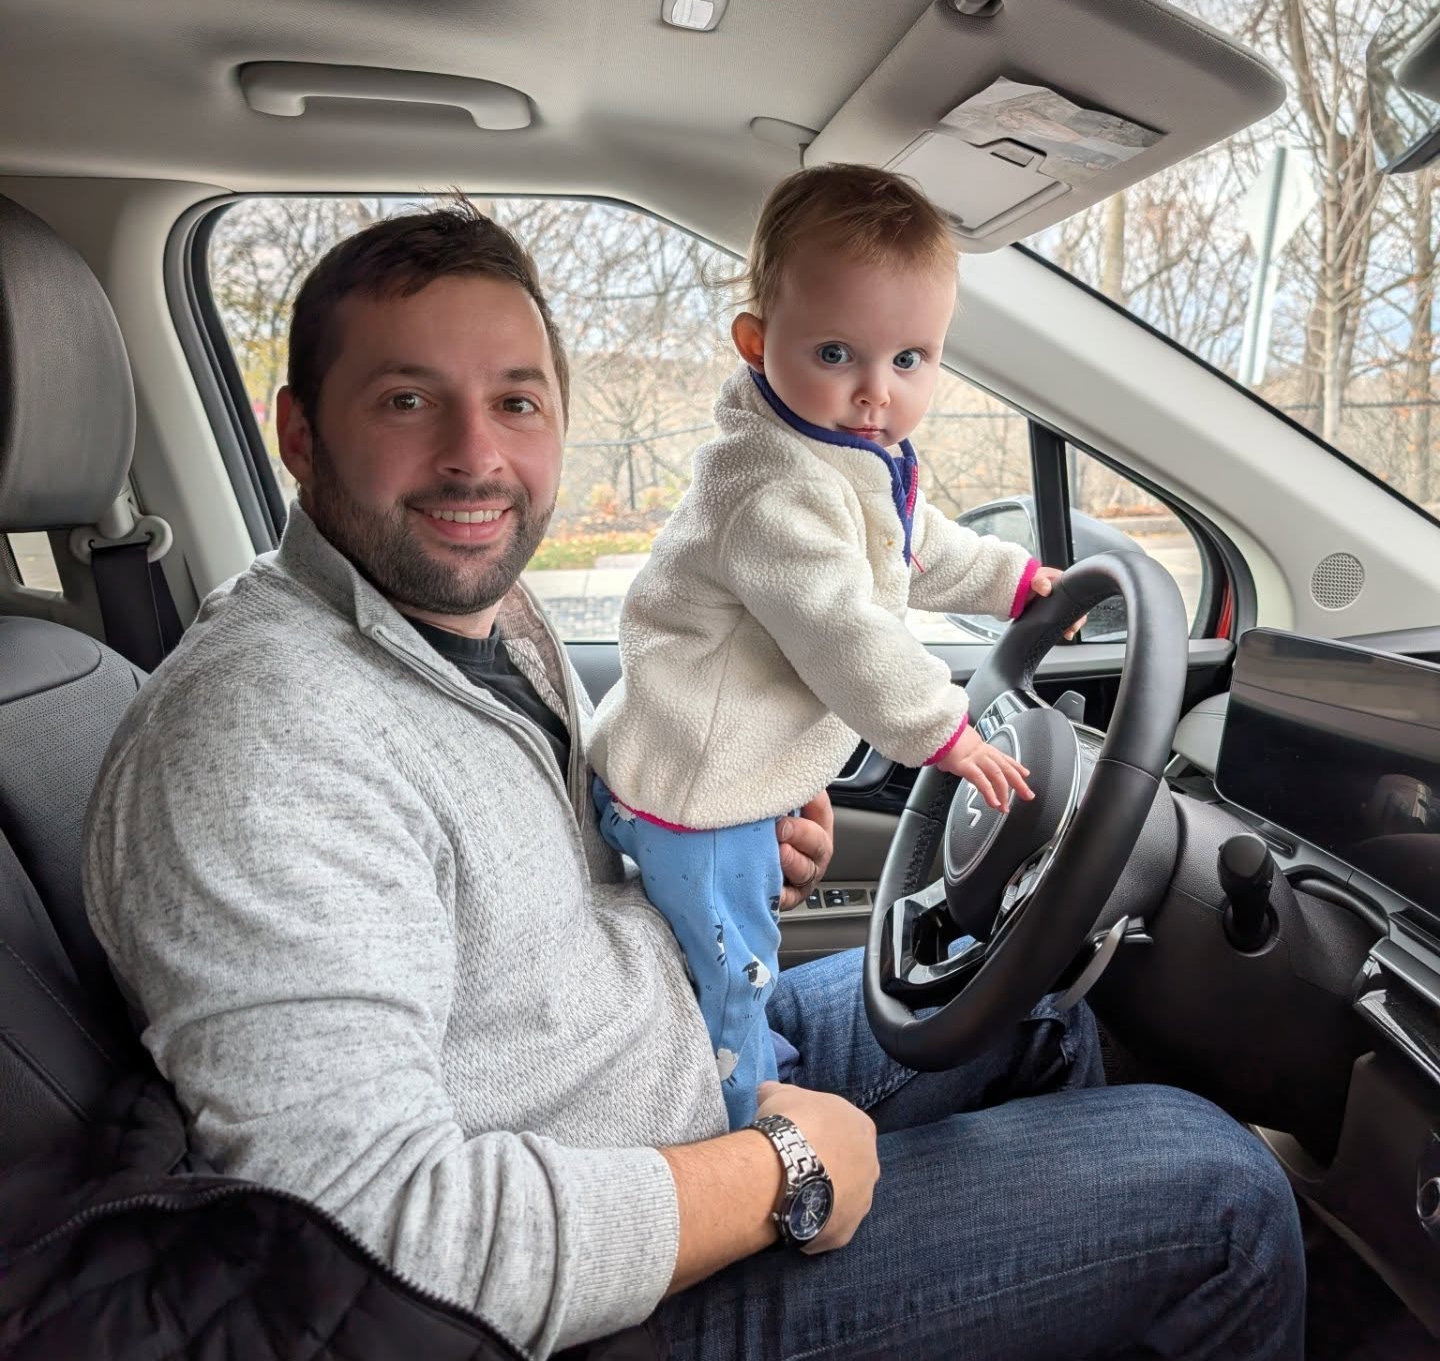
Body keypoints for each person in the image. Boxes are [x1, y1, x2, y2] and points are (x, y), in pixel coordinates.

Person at [83, 197, 1306, 1361]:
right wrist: (779, 1174)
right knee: (1219, 1187)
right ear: (299, 432)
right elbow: (367, 1243)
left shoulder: (477, 622)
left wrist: (714, 829)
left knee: (1037, 1013)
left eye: (516, 401)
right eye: (409, 400)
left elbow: (520, 893)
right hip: (609, 1309)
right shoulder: (258, 743)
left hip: (669, 1070)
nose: (476, 457)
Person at [590, 164, 1068, 1129]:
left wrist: (1013, 582)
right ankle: (739, 1115)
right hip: (695, 792)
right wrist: (949, 732)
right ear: (757, 345)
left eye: (910, 360)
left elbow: (914, 543)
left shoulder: (839, 456)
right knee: (732, 961)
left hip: (704, 764)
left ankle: (746, 1053)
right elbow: (844, 632)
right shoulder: (770, 488)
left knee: (731, 944)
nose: (873, 392)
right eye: (840, 351)